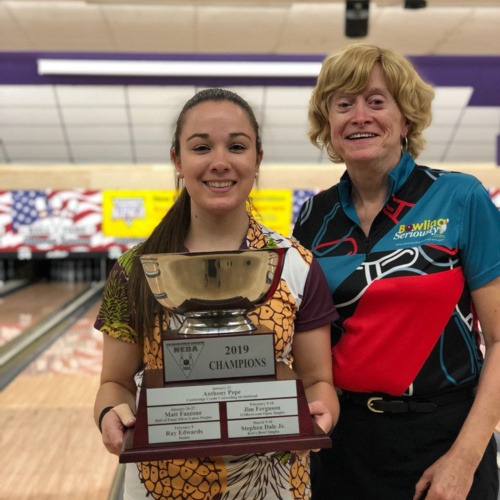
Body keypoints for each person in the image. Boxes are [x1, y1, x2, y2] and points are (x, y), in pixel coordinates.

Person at [93, 88, 340, 500]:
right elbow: (114, 383)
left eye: (237, 146)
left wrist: (319, 412)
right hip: (164, 487)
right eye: (201, 147)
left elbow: (318, 381)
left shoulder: (296, 264)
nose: (220, 162)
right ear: (178, 160)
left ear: (257, 159)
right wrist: (109, 413)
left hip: (274, 487)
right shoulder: (133, 271)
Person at [292, 43, 500, 499]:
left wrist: (463, 461)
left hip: (445, 436)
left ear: (405, 119)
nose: (359, 115)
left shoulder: (459, 197)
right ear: (329, 125)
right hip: (344, 442)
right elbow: (305, 341)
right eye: (343, 104)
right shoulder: (313, 218)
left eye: (376, 100)